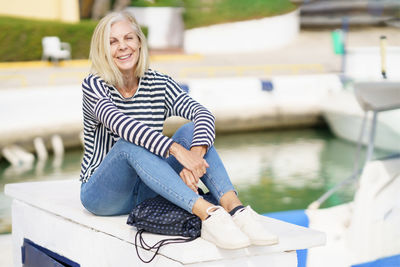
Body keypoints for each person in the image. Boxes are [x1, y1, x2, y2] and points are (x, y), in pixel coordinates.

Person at [79, 11, 278, 250]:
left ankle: (235, 209)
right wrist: (176, 151)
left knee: (193, 129)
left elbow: (202, 114)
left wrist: (195, 155)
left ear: (140, 43)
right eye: (113, 42)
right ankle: (209, 214)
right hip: (104, 195)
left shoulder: (158, 83)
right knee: (129, 144)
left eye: (128, 38)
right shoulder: (94, 85)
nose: (123, 47)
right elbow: (121, 124)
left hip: (149, 187)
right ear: (103, 51)